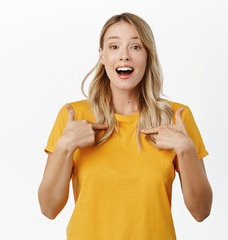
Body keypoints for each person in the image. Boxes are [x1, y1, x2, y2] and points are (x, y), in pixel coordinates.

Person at [38, 12, 212, 240]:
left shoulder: (177, 118)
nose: (124, 56)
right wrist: (64, 147)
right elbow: (48, 209)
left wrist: (187, 150)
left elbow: (201, 212)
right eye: (114, 47)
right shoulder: (74, 117)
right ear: (101, 55)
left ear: (148, 55)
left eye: (136, 47)